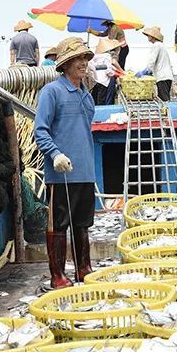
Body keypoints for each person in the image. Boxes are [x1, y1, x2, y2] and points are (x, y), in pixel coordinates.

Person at [33, 37, 97, 287]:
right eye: (78, 59)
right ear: (65, 63)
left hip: (85, 171)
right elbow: (41, 130)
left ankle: (84, 268)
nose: (83, 63)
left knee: (83, 224)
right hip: (61, 174)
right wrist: (55, 154)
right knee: (59, 225)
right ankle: (57, 275)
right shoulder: (52, 92)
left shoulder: (86, 95)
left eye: (85, 58)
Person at [140, 26, 174, 101]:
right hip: (167, 76)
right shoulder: (161, 45)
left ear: (152, 36)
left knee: (164, 100)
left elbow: (152, 60)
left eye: (149, 35)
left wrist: (146, 71)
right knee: (165, 99)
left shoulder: (156, 45)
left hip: (162, 77)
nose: (148, 37)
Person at [89, 38, 122, 106]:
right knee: (102, 101)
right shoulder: (107, 56)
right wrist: (120, 72)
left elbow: (91, 68)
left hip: (95, 81)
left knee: (96, 100)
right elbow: (109, 69)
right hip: (104, 81)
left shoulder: (95, 57)